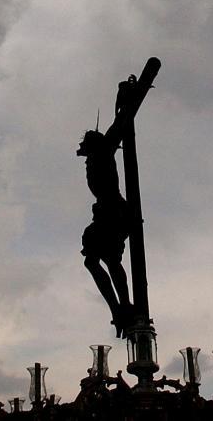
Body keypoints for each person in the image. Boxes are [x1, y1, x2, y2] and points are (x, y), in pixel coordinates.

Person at [77, 128, 133, 337]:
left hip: (113, 211)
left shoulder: (104, 151)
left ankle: (123, 305)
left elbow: (119, 125)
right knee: (95, 259)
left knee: (108, 259)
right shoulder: (94, 157)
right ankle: (118, 307)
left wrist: (122, 103)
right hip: (104, 210)